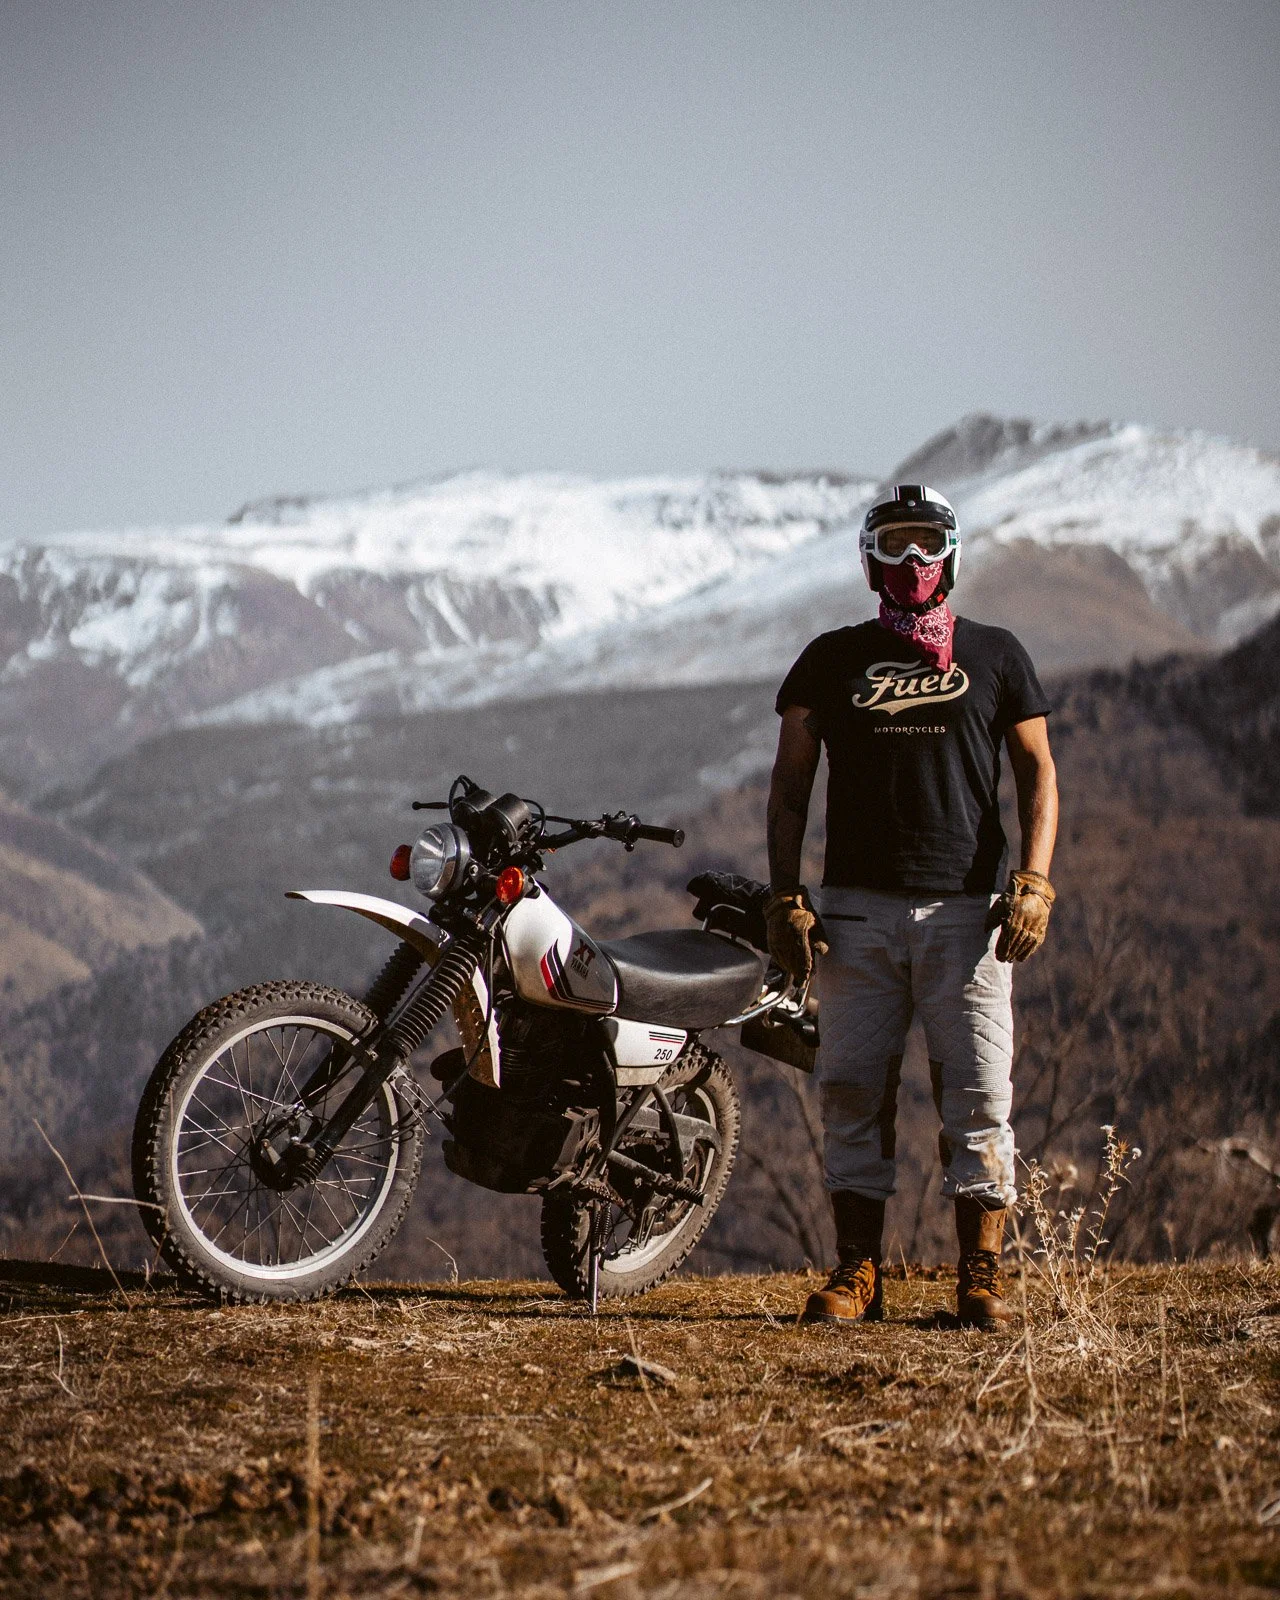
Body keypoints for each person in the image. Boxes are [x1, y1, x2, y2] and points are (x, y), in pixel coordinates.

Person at [764, 484, 1058, 1330]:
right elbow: (789, 787)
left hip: (971, 915)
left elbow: (1039, 772)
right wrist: (785, 897)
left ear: (952, 553)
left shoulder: (997, 654)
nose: (912, 559)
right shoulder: (829, 659)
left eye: (927, 541)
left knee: (979, 1096)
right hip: (855, 915)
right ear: (869, 559)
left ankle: (981, 1277)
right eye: (894, 542)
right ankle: (858, 1272)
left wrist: (1036, 882)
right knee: (851, 1091)